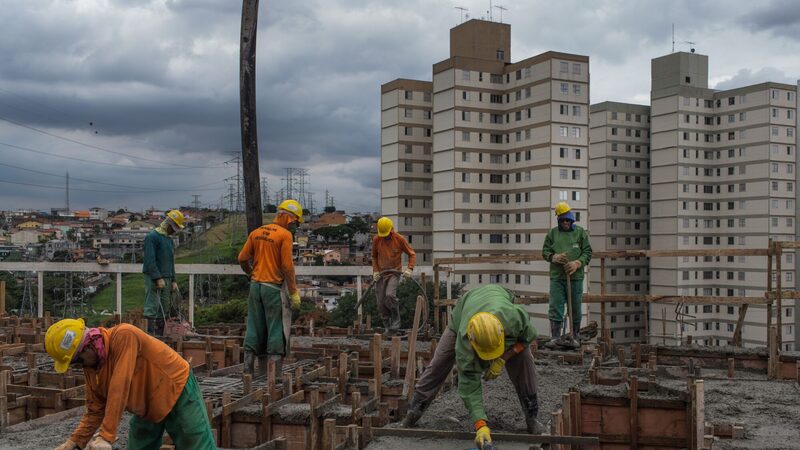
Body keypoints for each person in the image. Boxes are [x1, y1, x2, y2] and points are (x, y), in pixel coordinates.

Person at [401, 285, 545, 448]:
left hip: (497, 295)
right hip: (464, 313)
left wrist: (503, 358)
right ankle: (414, 411)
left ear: (502, 332)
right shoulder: (464, 342)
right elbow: (469, 385)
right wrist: (480, 425)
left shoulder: (514, 317)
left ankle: (532, 417)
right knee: (439, 363)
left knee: (524, 359)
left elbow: (528, 337)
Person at [47, 318, 215, 450]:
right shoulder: (92, 366)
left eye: (78, 361)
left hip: (175, 389)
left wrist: (106, 436)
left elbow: (120, 385)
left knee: (195, 443)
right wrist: (75, 441)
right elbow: (95, 409)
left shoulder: (124, 335)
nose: (79, 366)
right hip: (144, 403)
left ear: (89, 346)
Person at [238, 199, 303, 376]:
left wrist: (250, 273)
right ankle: (275, 376)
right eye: (295, 222)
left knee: (253, 326)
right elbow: (287, 266)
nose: (294, 226)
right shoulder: (284, 235)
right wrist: (294, 292)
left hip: (255, 287)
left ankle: (248, 371)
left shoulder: (257, 232)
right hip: (272, 289)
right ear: (289, 218)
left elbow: (242, 258)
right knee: (276, 327)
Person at [541, 202, 592, 342]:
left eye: (567, 220)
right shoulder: (552, 233)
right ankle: (556, 337)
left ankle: (575, 335)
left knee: (575, 306)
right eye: (562, 220)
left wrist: (577, 263)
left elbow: (587, 252)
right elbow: (545, 251)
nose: (565, 223)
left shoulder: (580, 233)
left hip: (575, 277)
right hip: (557, 277)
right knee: (556, 306)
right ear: (558, 220)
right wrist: (553, 257)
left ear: (571, 219)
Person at [142, 209, 185, 335]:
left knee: (165, 306)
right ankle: (150, 334)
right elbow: (150, 260)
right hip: (154, 277)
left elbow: (171, 262)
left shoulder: (169, 240)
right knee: (152, 305)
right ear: (168, 224)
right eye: (174, 227)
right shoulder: (152, 237)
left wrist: (173, 280)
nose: (174, 231)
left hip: (167, 277)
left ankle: (160, 333)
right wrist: (157, 277)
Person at [371, 217, 416, 335]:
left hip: (394, 273)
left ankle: (396, 320)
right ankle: (388, 327)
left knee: (389, 295)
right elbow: (374, 256)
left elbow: (412, 254)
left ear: (391, 229)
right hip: (381, 274)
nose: (385, 237)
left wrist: (409, 269)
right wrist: (375, 271)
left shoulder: (399, 239)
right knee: (380, 302)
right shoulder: (376, 240)